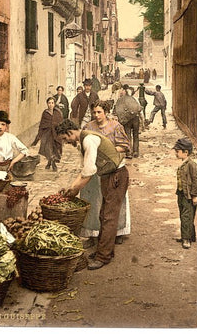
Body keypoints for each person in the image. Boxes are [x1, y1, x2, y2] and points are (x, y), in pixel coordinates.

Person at [55, 119, 129, 270]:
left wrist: (74, 191)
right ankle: (106, 251)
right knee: (103, 215)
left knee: (109, 217)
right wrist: (72, 187)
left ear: (70, 132)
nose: (66, 142)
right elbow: (84, 170)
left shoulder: (88, 140)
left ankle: (103, 257)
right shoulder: (84, 139)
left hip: (116, 176)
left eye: (65, 138)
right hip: (108, 175)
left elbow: (88, 173)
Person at [81, 100, 131, 245]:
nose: (96, 115)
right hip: (95, 169)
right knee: (93, 200)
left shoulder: (115, 126)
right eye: (94, 112)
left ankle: (118, 231)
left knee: (114, 201)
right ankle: (92, 234)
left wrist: (109, 151)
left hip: (112, 168)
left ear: (106, 112)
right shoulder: (88, 127)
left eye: (99, 112)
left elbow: (125, 145)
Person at [172, 138, 197, 249]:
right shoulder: (184, 163)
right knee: (185, 216)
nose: (176, 153)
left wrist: (194, 196)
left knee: (186, 217)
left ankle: (186, 239)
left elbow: (196, 181)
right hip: (181, 194)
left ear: (186, 152)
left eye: (178, 151)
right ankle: (191, 236)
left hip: (188, 196)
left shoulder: (192, 165)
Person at [31, 97, 64, 171]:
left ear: (54, 104)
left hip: (55, 134)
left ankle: (49, 162)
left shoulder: (58, 113)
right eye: (49, 103)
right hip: (47, 134)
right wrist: (38, 136)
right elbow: (42, 124)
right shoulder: (45, 113)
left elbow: (61, 124)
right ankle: (53, 164)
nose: (51, 105)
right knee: (48, 149)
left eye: (52, 103)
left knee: (54, 149)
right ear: (47, 104)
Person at [113, 85, 142, 157]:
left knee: (128, 135)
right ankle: (135, 152)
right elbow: (139, 109)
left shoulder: (120, 100)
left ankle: (129, 152)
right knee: (136, 135)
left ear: (124, 91)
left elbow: (117, 111)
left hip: (127, 120)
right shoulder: (134, 99)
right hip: (136, 118)